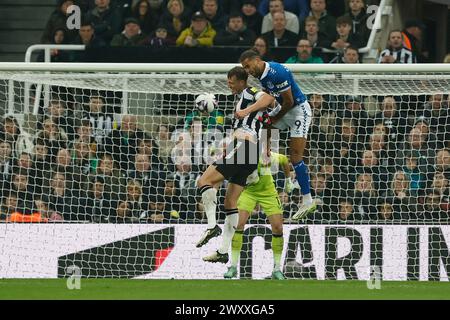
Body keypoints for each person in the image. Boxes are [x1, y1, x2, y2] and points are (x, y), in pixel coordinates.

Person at [195, 66, 276, 253]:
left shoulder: (249, 92)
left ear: (241, 81)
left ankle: (212, 225)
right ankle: (223, 252)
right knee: (230, 203)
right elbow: (266, 122)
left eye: (231, 83)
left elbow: (268, 99)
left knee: (204, 181)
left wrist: (246, 111)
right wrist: (266, 146)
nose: (229, 86)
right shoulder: (240, 99)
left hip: (244, 147)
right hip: (248, 151)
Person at [239, 49, 316, 220]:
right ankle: (263, 157)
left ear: (257, 60)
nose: (247, 71)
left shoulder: (277, 72)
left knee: (295, 157)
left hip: (298, 111)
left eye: (248, 66)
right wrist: (269, 115)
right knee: (262, 127)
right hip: (284, 109)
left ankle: (307, 200)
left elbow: (290, 101)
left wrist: (274, 118)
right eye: (244, 68)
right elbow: (275, 99)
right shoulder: (260, 76)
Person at [208, 146, 294, 280]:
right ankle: (233, 267)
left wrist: (288, 181)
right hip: (248, 193)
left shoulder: (264, 156)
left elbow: (283, 159)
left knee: (278, 227)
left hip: (268, 193)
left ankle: (277, 269)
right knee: (238, 224)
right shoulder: (237, 160)